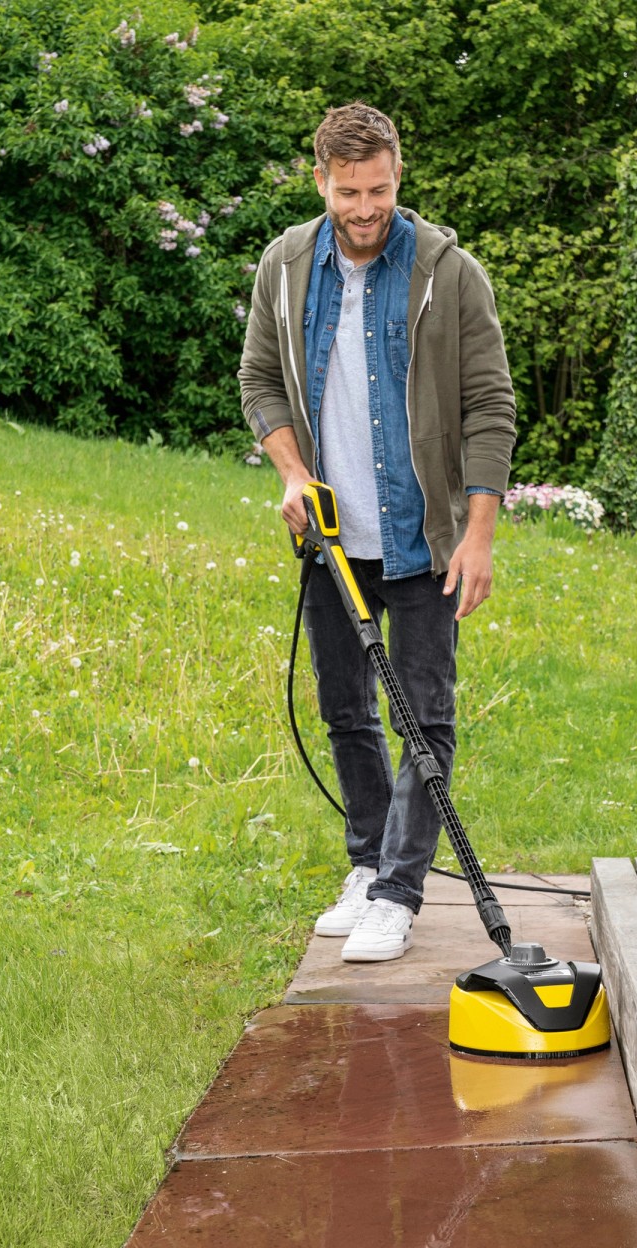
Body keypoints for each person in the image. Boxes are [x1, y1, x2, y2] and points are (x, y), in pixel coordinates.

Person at [238, 101, 516, 962]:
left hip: (422, 536)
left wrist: (478, 535)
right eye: (350, 191)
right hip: (332, 534)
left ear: (401, 175)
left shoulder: (447, 271)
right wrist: (292, 475)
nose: (366, 208)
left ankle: (400, 891)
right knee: (344, 710)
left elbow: (490, 408)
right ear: (320, 178)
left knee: (424, 716)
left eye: (382, 190)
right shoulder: (285, 266)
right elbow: (259, 382)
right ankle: (366, 866)